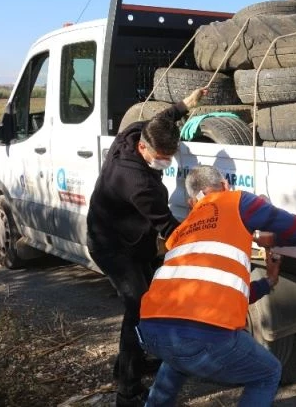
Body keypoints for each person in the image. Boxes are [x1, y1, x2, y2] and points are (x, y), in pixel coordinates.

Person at [136, 165, 296, 406]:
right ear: (226, 186)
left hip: (152, 331)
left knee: (176, 360)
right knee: (267, 373)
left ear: (191, 203)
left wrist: (269, 282)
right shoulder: (238, 201)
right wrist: (268, 239)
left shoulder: (180, 232)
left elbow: (223, 291)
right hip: (201, 337)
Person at [87, 88, 206, 407]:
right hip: (111, 246)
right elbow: (169, 229)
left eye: (171, 156)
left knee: (151, 302)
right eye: (162, 158)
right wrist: (206, 239)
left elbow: (161, 119)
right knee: (138, 308)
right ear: (143, 148)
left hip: (133, 239)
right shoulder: (137, 183)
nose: (166, 163)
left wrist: (185, 104)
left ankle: (135, 360)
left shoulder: (133, 132)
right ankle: (126, 389)